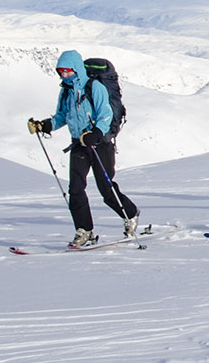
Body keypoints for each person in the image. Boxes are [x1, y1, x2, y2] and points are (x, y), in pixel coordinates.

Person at [27, 49, 140, 248]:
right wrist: (44, 125)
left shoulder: (94, 87)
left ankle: (130, 214)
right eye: (61, 72)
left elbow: (105, 114)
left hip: (99, 144)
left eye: (68, 71)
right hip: (79, 144)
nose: (64, 75)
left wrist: (96, 133)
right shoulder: (66, 91)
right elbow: (62, 116)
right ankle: (84, 230)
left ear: (77, 69)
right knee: (76, 189)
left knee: (106, 188)